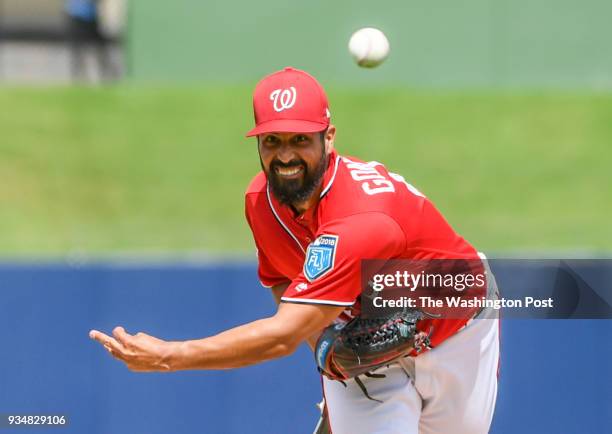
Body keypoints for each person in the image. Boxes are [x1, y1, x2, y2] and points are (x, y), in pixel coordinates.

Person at [90, 67, 500, 434]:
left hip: (457, 330)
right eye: (272, 141)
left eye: (300, 140)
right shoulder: (261, 203)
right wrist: (325, 345)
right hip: (368, 353)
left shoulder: (362, 218)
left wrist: (168, 356)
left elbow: (283, 335)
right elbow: (283, 280)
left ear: (330, 138)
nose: (285, 155)